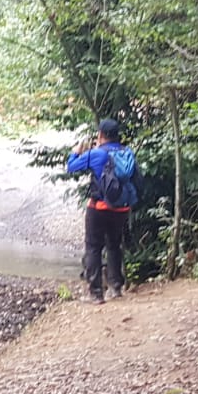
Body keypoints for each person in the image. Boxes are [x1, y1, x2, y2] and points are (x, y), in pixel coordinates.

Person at [66, 118, 138, 302]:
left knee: (93, 246)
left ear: (100, 135)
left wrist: (76, 152)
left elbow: (71, 167)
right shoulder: (127, 152)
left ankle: (96, 293)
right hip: (121, 208)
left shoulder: (97, 154)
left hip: (99, 207)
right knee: (114, 245)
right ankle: (115, 288)